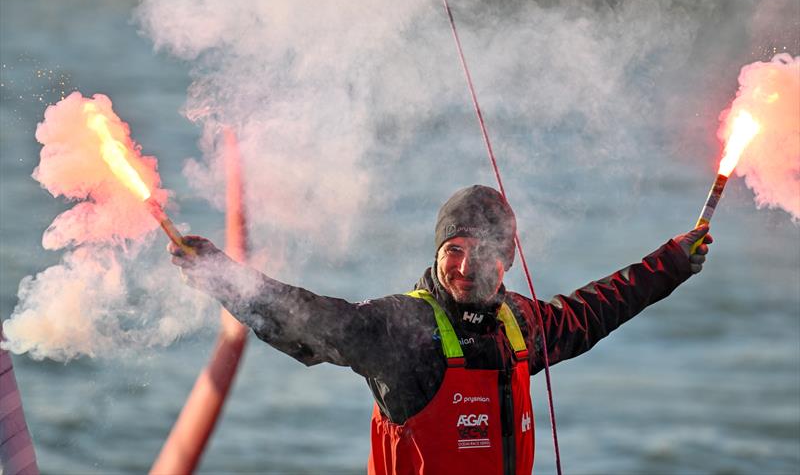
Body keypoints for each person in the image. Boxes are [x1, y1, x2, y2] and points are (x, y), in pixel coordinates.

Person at [169, 185, 712, 475]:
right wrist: (219, 274)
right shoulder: (399, 331)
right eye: (454, 250)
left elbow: (598, 308)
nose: (465, 266)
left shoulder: (522, 324)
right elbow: (303, 319)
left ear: (509, 261)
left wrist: (672, 261)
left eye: (484, 253)